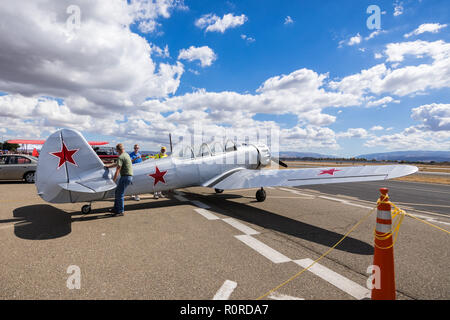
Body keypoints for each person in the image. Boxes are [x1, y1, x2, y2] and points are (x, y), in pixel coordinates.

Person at [105, 143, 133, 216]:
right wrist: (109, 166)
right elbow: (118, 164)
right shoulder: (126, 155)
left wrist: (113, 181)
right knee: (117, 192)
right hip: (128, 176)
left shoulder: (120, 157)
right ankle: (116, 208)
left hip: (125, 177)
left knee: (120, 194)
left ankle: (120, 211)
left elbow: (117, 170)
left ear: (117, 150)